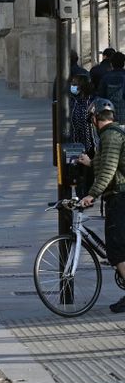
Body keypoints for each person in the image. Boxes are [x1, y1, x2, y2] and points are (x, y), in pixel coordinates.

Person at [79, 98, 125, 313]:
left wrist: (91, 195)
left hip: (120, 197)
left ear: (95, 119)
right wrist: (91, 163)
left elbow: (108, 171)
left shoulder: (109, 136)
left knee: (117, 250)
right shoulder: (116, 133)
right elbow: (112, 164)